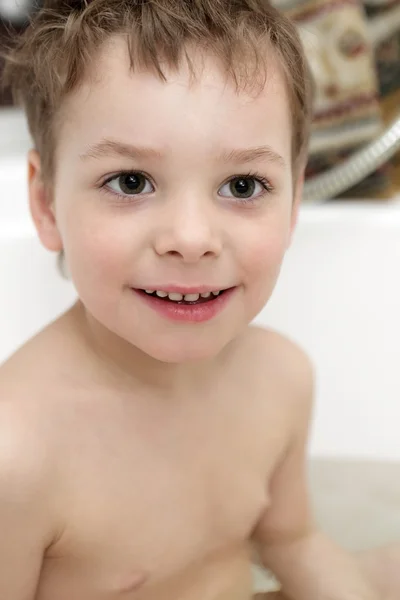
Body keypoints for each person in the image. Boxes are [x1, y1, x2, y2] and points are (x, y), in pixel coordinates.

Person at [0, 1, 398, 599]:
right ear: (47, 203)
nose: (191, 239)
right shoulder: (19, 455)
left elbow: (292, 543)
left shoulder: (279, 377)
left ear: (293, 209)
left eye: (243, 186)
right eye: (130, 181)